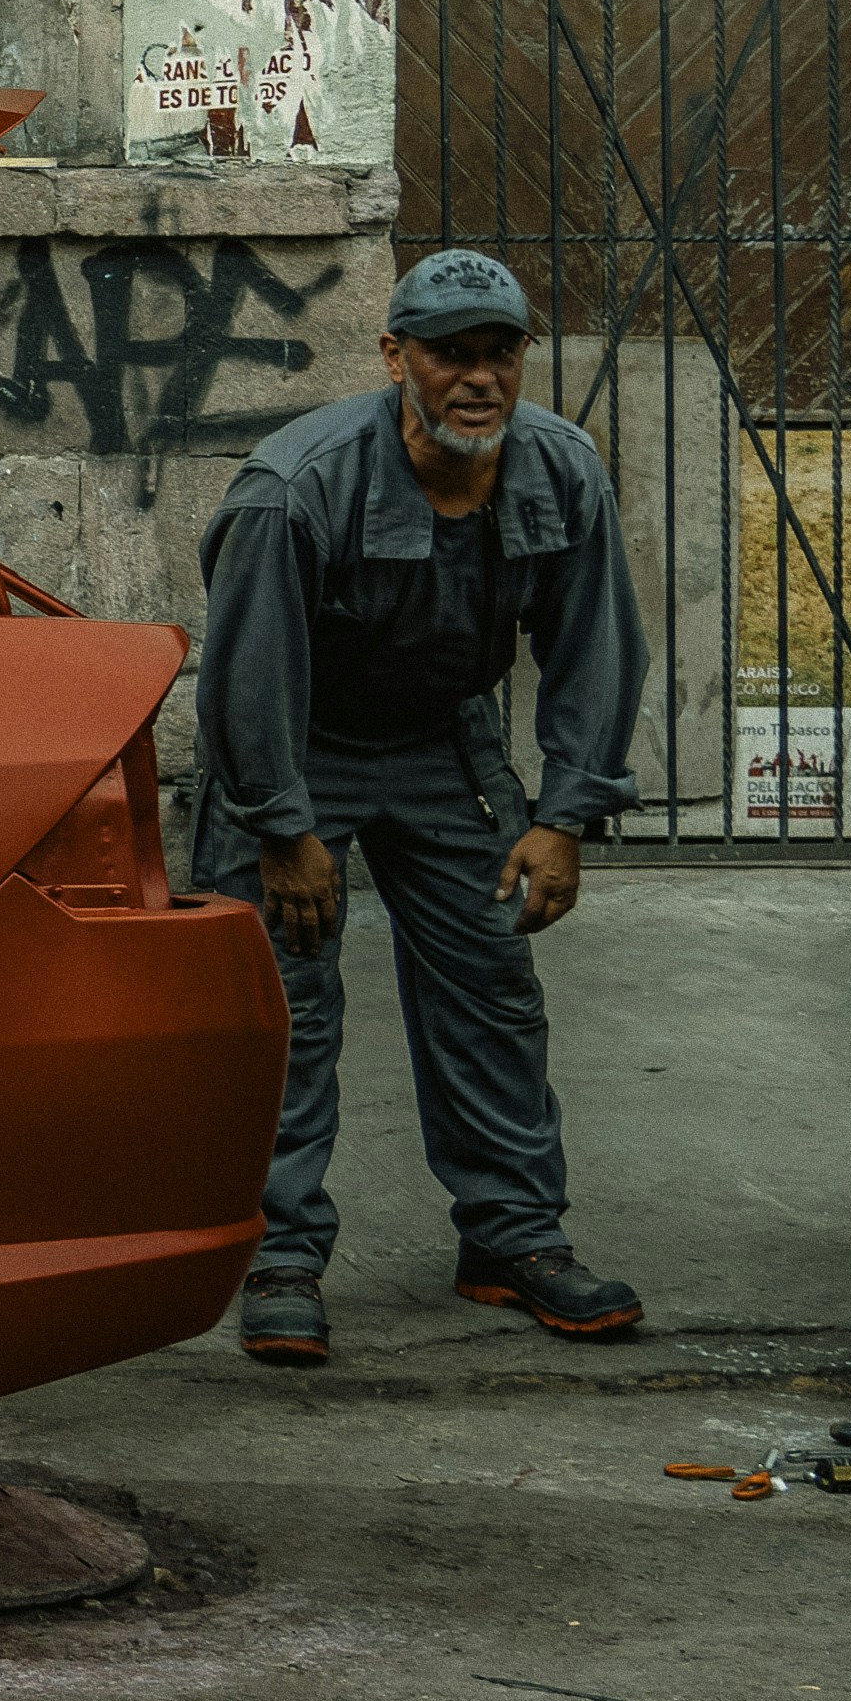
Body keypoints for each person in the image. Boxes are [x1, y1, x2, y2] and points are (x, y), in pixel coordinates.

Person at [186, 246, 650, 1362]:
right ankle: (278, 1253)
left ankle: (510, 1236)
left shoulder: (562, 470)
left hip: (443, 743)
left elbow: (595, 650)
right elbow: (246, 679)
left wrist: (563, 816)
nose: (477, 378)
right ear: (398, 355)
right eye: (450, 354)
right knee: (282, 1007)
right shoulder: (299, 484)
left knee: (492, 983)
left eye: (499, 353)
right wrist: (284, 830)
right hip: (296, 753)